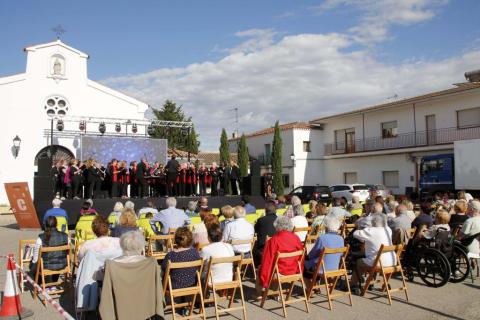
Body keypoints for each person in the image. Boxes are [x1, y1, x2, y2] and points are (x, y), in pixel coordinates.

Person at [257, 216, 304, 295]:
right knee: (275, 266)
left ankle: (259, 294)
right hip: (294, 270)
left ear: (277, 226)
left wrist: (264, 277)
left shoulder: (273, 240)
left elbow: (267, 260)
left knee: (260, 268)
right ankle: (275, 292)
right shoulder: (296, 238)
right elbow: (301, 257)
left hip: (280, 272)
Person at [350, 214, 395, 294]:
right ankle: (376, 283)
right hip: (392, 261)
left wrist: (359, 226)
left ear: (373, 222)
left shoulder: (370, 231)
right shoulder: (388, 229)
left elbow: (355, 234)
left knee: (359, 262)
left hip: (378, 263)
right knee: (371, 258)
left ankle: (353, 285)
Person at [31, 216, 69, 285]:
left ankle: (39, 284)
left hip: (46, 266)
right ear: (57, 224)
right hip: (62, 265)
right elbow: (67, 253)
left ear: (45, 225)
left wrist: (32, 264)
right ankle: (54, 282)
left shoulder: (41, 238)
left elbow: (36, 259)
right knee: (57, 257)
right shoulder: (65, 236)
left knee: (33, 264)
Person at [253, 201, 277, 266]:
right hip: (277, 247)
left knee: (253, 248)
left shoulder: (261, 220)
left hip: (264, 248)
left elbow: (255, 231)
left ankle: (257, 268)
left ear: (266, 211)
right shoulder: (280, 219)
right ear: (276, 211)